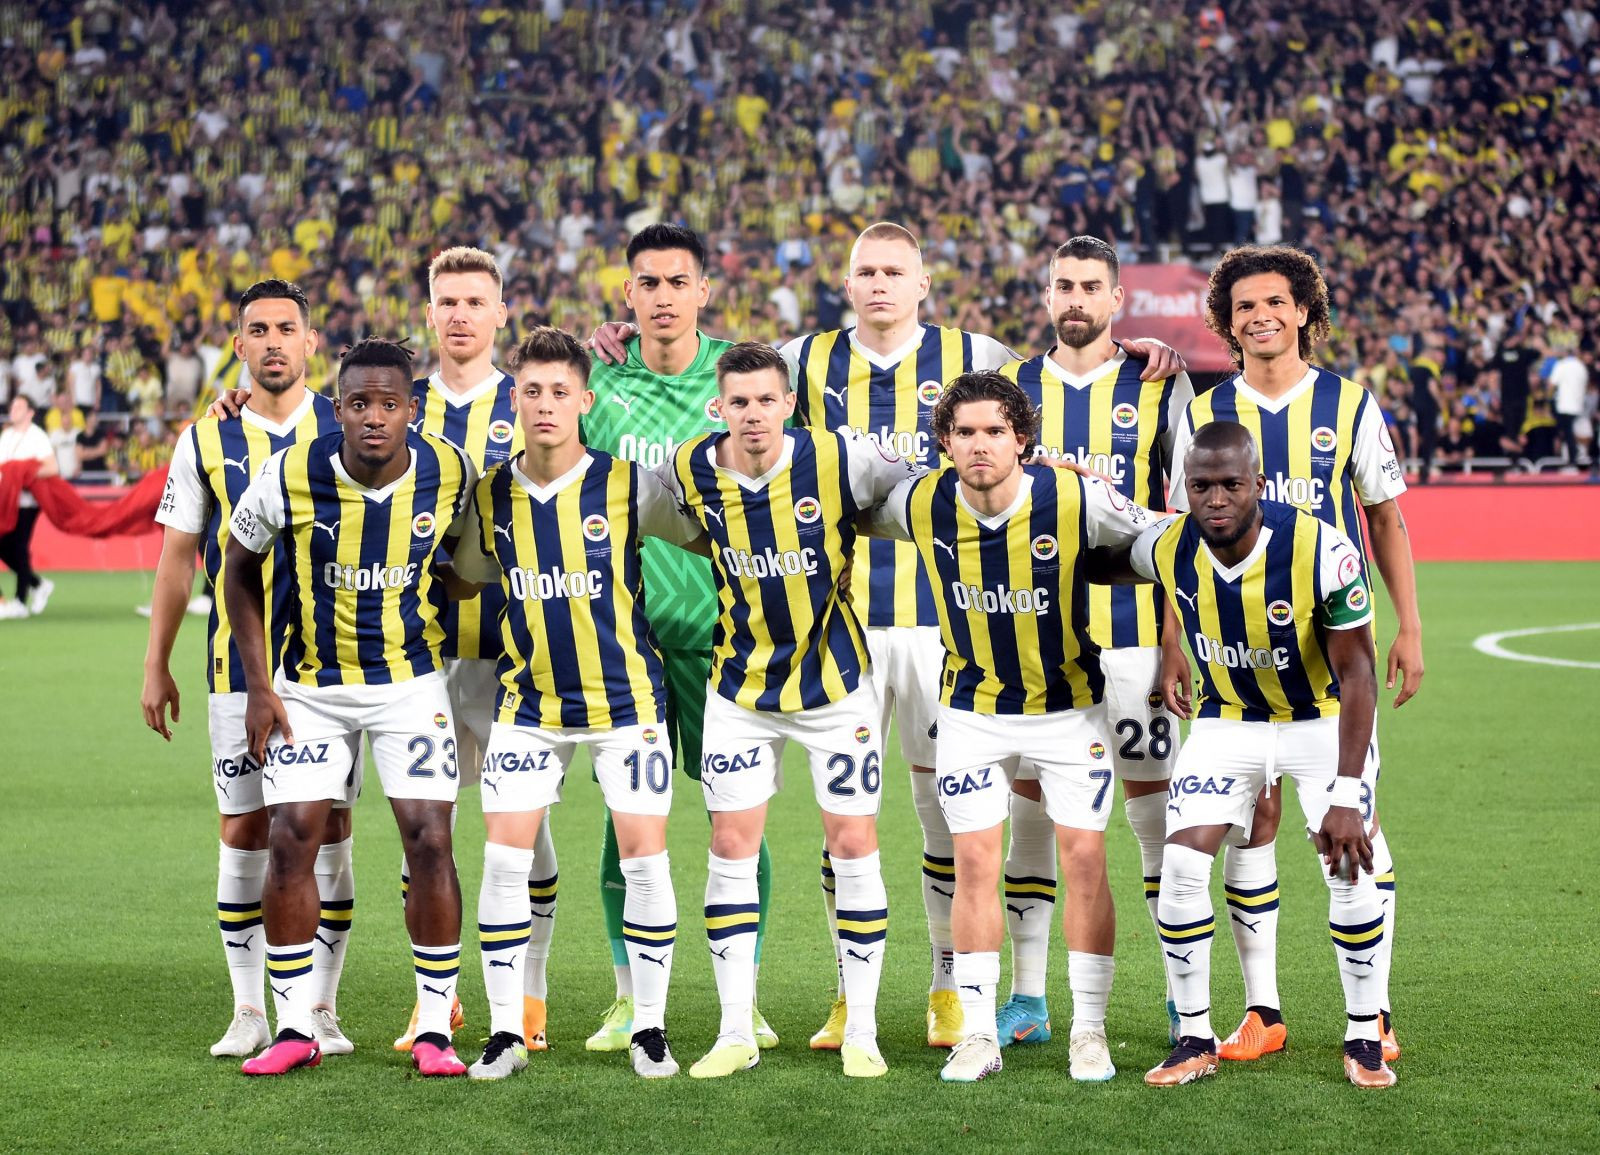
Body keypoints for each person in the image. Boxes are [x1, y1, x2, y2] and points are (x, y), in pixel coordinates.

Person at [777, 221, 1186, 1051]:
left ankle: (962, 993)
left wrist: (1146, 348)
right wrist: (620, 344)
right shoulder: (805, 361)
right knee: (850, 822)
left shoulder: (990, 357)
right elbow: (725, 379)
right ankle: (864, 993)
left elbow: (1084, 384)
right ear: (846, 282)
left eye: (895, 270)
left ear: (923, 282)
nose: (880, 284)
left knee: (979, 825)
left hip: (980, 634)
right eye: (866, 271)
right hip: (856, 629)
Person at [866, 371, 1158, 1084]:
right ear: (944, 442)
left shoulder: (1076, 496)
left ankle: (1089, 1031)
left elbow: (1162, 538)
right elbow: (842, 510)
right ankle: (975, 1034)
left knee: (1085, 859)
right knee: (974, 863)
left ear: (1022, 438)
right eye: (964, 432)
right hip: (971, 711)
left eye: (995, 431)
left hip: (1070, 710)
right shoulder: (920, 501)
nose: (980, 445)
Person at [1168, 244, 1422, 1066]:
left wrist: (1410, 626)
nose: (1261, 316)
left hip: (1329, 651)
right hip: (1234, 655)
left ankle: (1372, 1010)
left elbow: (1384, 515)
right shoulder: (1204, 409)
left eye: (1276, 301)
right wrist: (1174, 641)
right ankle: (1262, 1010)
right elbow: (1177, 535)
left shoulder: (1347, 404)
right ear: (1228, 319)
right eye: (1245, 305)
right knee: (1253, 819)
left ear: (1305, 310)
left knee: (1352, 826)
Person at [446, 327, 705, 1081]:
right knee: (503, 862)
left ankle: (650, 1029)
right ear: (514, 398)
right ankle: (505, 1031)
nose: (546, 404)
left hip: (628, 701)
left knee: (645, 861)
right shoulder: (491, 494)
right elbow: (467, 573)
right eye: (532, 390)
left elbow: (707, 538)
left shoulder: (629, 485)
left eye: (560, 391)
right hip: (528, 706)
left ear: (585, 401)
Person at [658, 342, 916, 1080]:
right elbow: (666, 518)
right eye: (738, 402)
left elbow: (929, 482)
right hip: (740, 689)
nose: (752, 414)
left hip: (836, 687)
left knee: (853, 843)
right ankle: (735, 1030)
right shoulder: (690, 466)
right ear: (719, 406)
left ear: (789, 405)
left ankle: (862, 1029)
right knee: (730, 844)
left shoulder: (841, 457)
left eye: (766, 400)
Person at [223, 338, 476, 1078]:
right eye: (359, 403)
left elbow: (465, 561)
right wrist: (260, 685)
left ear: (412, 410)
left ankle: (435, 1028)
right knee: (291, 837)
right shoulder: (289, 473)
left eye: (388, 404)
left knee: (430, 840)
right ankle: (294, 1026)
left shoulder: (450, 471)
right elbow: (237, 569)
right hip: (311, 687)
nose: (374, 417)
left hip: (410, 684)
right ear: (338, 409)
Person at [1135, 421, 1394, 1090]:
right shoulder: (1168, 543)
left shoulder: (1321, 549)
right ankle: (1195, 1036)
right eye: (1201, 486)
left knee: (1348, 861)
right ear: (1185, 487)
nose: (1216, 498)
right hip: (1229, 720)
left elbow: (1359, 673)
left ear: (1258, 483)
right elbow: (1105, 554)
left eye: (1231, 484)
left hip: (1320, 718)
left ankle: (1365, 1033)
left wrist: (1346, 795)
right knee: (1181, 865)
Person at [140, 279, 355, 1059]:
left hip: (333, 670)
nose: (272, 342)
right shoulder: (206, 438)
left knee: (330, 826)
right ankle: (247, 1009)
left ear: (310, 342)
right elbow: (176, 560)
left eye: (286, 328)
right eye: (258, 330)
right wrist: (156, 662)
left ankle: (320, 1006)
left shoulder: (349, 423)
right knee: (244, 827)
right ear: (238, 346)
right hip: (236, 666)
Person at [580, 224, 779, 1053]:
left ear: (704, 290)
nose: (662, 296)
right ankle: (629, 997)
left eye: (677, 281)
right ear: (627, 293)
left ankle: (746, 998)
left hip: (726, 639)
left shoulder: (741, 377)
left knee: (739, 821)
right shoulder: (598, 379)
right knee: (625, 825)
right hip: (626, 643)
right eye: (647, 282)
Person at [999, 235, 1195, 1047]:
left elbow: (1183, 519)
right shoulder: (1012, 385)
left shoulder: (1160, 385)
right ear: (1046, 295)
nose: (1075, 299)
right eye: (1063, 286)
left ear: (1118, 299)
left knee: (1154, 820)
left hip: (1137, 639)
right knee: (1031, 819)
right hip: (1036, 647)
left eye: (1091, 286)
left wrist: (1177, 641)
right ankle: (1028, 997)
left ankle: (1182, 997)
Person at [0, 394, 56, 618]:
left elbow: (52, 468)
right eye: (13, 406)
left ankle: (20, 601)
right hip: (7, 502)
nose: (13, 409)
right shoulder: (6, 436)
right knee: (4, 547)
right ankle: (37, 584)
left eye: (19, 406)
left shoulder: (37, 436)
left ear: (30, 412)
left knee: (20, 547)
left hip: (28, 502)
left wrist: (22, 474)